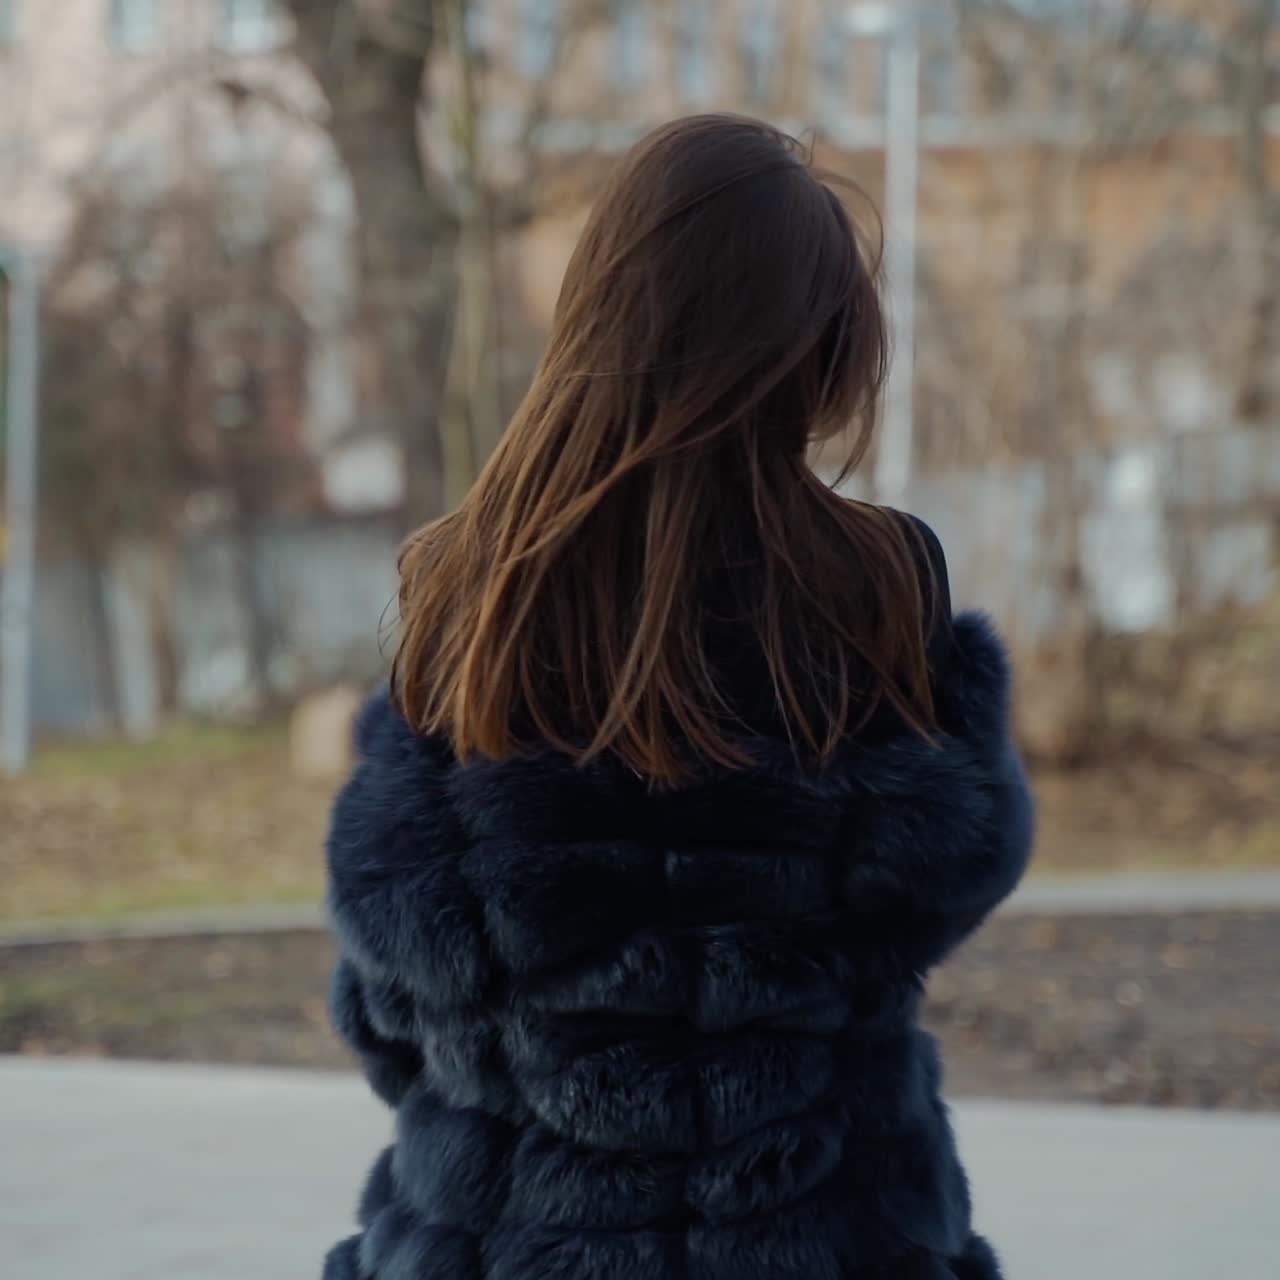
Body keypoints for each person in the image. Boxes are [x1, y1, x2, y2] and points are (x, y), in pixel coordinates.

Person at [322, 115, 1034, 1280]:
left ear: (596, 311)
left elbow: (398, 989)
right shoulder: (881, 580)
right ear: (821, 342)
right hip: (819, 1240)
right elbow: (931, 889)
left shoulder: (461, 586)